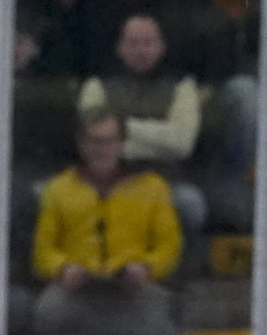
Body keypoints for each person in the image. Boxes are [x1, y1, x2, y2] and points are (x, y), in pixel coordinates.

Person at [31, 109, 181, 335]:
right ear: (81, 145)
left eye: (109, 141)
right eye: (94, 142)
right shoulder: (58, 189)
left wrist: (147, 268)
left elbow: (169, 247)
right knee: (47, 312)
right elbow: (42, 251)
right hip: (77, 293)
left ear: (122, 144)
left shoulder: (152, 187)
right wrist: (62, 269)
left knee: (160, 332)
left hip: (133, 291)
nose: (101, 149)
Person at [76, 13, 206, 235]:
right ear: (119, 48)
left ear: (161, 48)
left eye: (148, 43)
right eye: (133, 43)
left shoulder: (183, 87)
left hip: (164, 182)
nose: (141, 50)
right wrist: (160, 141)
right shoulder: (96, 86)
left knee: (190, 203)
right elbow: (92, 144)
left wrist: (123, 128)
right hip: (103, 182)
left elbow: (182, 144)